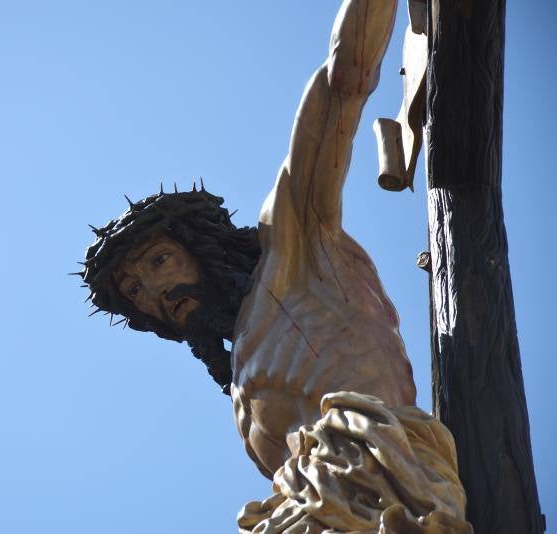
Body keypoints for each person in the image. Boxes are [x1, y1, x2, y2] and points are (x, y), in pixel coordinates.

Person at [79, 1, 471, 531]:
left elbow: (343, 84)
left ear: (202, 245)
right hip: (302, 513)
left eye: (159, 260)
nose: (155, 292)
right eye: (136, 290)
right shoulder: (241, 376)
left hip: (383, 485)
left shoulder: (294, 246)